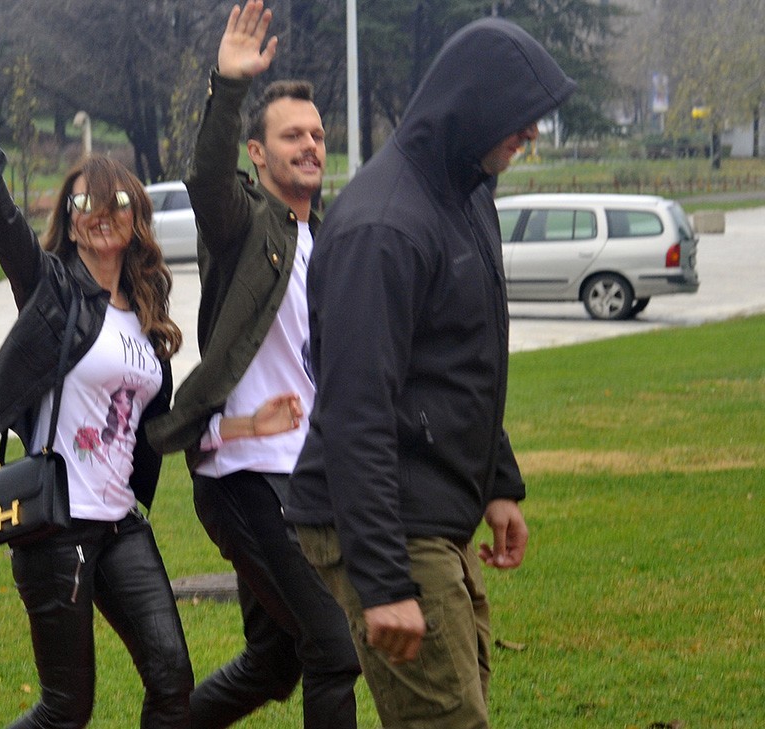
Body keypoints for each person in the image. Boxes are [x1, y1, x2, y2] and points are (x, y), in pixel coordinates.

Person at [285, 17, 576, 729]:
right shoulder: (384, 226)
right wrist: (384, 582)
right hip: (386, 521)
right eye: (520, 115)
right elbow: (356, 410)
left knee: (462, 701)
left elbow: (464, 360)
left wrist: (499, 482)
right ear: (472, 105)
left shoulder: (467, 192)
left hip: (434, 511)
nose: (531, 132)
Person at [0, 53, 193, 728]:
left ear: (136, 214)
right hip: (57, 527)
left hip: (122, 524)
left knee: (173, 679)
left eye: (115, 202)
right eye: (82, 203)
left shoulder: (146, 310)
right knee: (66, 708)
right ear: (70, 216)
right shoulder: (51, 288)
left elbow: (153, 419)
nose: (99, 214)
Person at [145, 2, 361, 727]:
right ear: (259, 154)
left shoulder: (323, 239)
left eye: (318, 135)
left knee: (275, 661)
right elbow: (207, 179)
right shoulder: (244, 226)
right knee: (334, 646)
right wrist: (228, 85)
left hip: (306, 475)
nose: (310, 146)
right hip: (245, 477)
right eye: (292, 135)